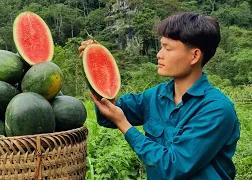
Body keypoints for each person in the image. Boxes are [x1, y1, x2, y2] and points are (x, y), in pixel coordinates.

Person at [78, 12, 240, 180]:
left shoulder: (217, 109)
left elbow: (173, 166)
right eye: (161, 46)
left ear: (194, 55)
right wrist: (96, 68)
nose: (159, 54)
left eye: (168, 48)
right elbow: (107, 116)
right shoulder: (155, 96)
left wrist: (124, 125)